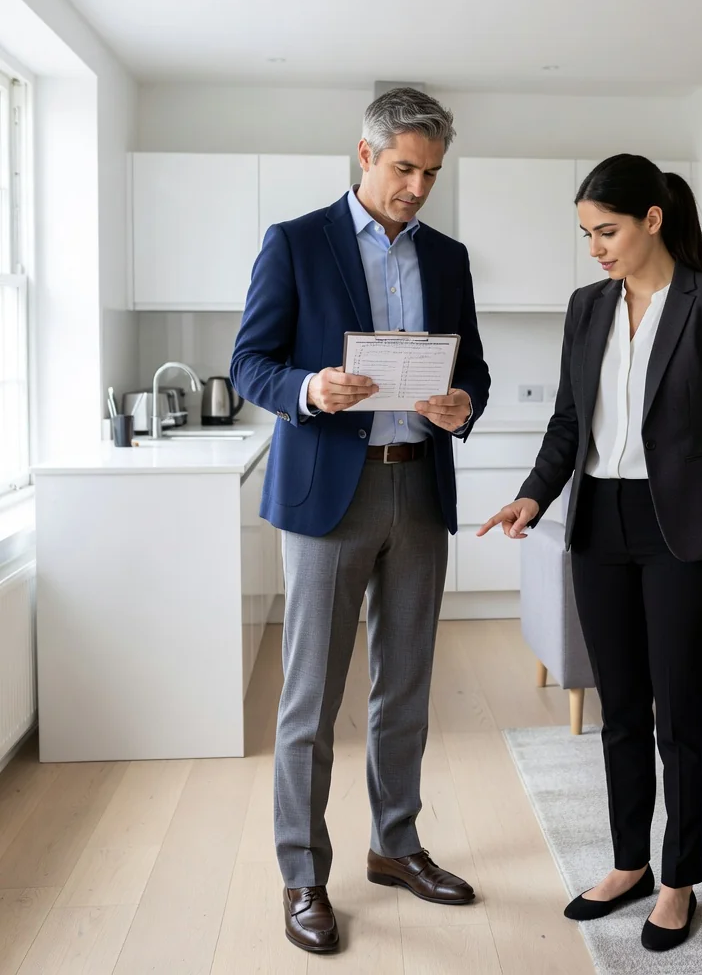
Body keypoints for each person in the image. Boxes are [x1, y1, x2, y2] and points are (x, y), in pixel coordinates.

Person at [478, 154, 702, 953]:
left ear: (653, 220)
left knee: (681, 713)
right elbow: (569, 421)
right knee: (620, 710)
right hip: (598, 523)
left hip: (683, 536)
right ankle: (629, 862)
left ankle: (680, 880)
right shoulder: (587, 307)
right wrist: (535, 494)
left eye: (607, 230)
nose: (595, 247)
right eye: (587, 234)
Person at [231, 87, 490, 955]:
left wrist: (462, 407)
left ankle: (396, 845)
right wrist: (309, 389)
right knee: (310, 696)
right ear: (366, 155)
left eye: (432, 173)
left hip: (419, 489)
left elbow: (476, 373)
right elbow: (249, 365)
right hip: (325, 500)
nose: (418, 187)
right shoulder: (296, 242)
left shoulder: (448, 259)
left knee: (405, 686)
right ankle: (303, 873)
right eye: (406, 168)